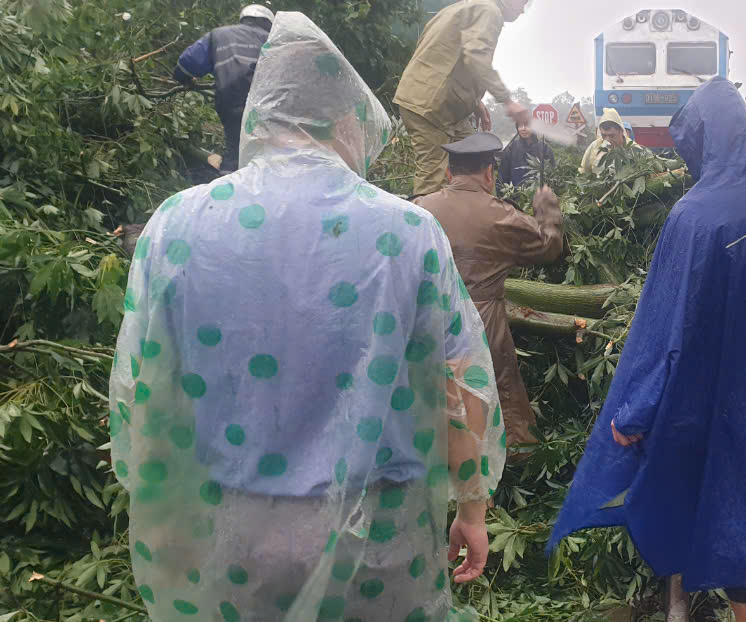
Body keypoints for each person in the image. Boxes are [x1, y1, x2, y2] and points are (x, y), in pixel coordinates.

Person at [110, 13, 504, 622]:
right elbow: (460, 382)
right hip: (381, 531)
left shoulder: (178, 223)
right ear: (347, 120)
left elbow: (141, 384)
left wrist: (163, 508)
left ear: (260, 118)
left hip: (235, 525)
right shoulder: (407, 230)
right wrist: (471, 508)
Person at [548, 77, 746, 622]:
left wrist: (636, 411)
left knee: (732, 510)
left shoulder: (695, 218)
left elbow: (666, 328)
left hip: (720, 399)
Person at [415, 132, 563, 456]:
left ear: (449, 173)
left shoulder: (420, 209)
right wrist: (547, 208)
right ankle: (513, 459)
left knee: (433, 391)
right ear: (488, 173)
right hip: (481, 320)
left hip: (425, 318)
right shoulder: (500, 215)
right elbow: (549, 247)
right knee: (500, 392)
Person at [394, 0, 533, 199]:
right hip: (432, 107)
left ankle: (476, 220)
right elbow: (476, 56)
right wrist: (507, 100)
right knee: (432, 182)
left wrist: (475, 101)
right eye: (522, 2)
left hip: (433, 101)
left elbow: (443, 53)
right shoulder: (490, 10)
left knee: (478, 161)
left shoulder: (462, 7)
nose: (522, 9)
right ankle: (426, 226)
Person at [172, 4, 274, 172]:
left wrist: (184, 78)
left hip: (230, 102)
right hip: (267, 105)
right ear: (269, 23)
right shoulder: (274, 40)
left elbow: (186, 63)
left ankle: (230, 182)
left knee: (236, 150)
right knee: (268, 153)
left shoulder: (218, 35)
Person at [498, 119, 556, 188]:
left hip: (537, 194)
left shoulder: (544, 148)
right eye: (520, 126)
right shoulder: (512, 148)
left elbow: (551, 173)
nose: (523, 129)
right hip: (515, 194)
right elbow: (503, 175)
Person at [578, 108, 636, 175]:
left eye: (612, 136)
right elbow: (584, 170)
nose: (607, 139)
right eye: (604, 135)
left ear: (621, 131)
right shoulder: (595, 146)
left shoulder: (633, 149)